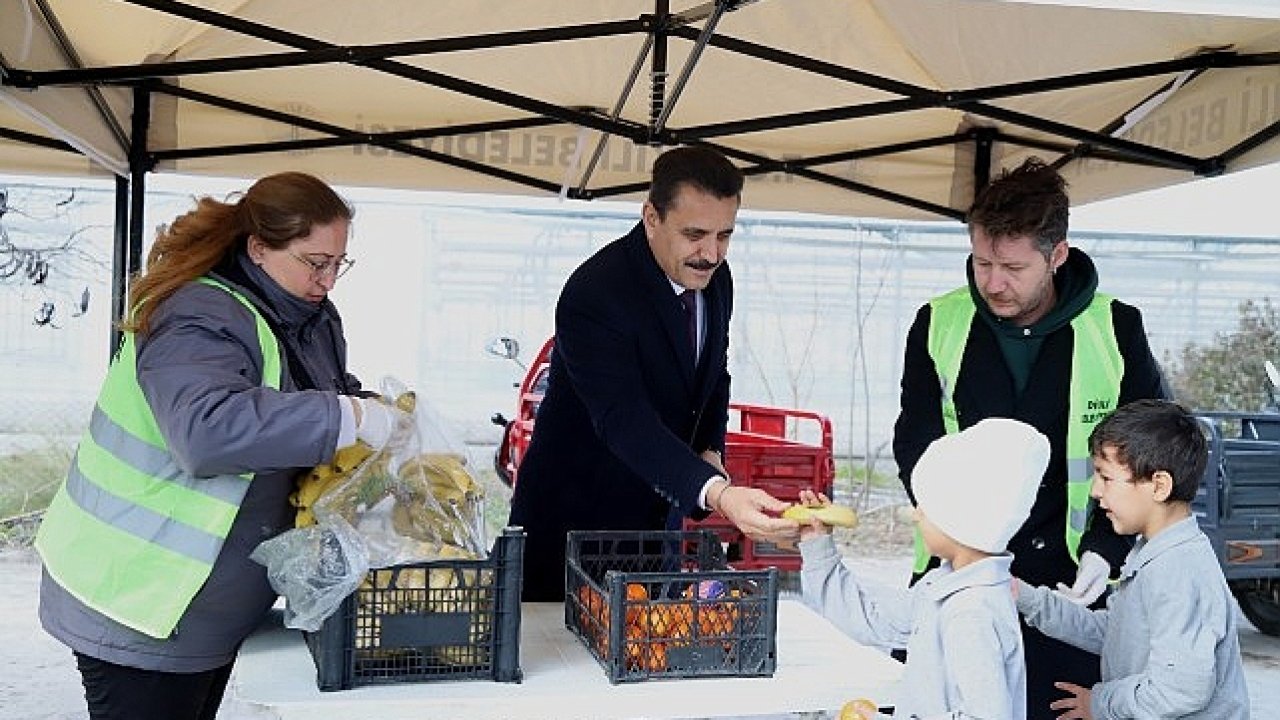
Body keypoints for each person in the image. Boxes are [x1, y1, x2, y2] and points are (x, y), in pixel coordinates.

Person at [34, 171, 407, 720]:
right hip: (140, 598)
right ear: (258, 248)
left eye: (338, 263)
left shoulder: (309, 318)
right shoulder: (198, 316)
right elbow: (205, 431)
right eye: (314, 261)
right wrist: (346, 415)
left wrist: (380, 414)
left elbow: (313, 393)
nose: (329, 279)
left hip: (206, 605)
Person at [891, 156, 1168, 718]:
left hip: (1072, 587)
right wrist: (952, 535)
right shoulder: (937, 322)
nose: (992, 282)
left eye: (1012, 267)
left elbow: (1149, 449)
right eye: (982, 261)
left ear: (1056, 255)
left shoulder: (1115, 327)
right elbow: (914, 440)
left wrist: (1106, 551)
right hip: (958, 577)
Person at [507, 145, 798, 601]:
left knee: (651, 648)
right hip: (572, 530)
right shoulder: (596, 292)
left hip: (657, 525)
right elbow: (623, 419)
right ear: (651, 218)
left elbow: (713, 377)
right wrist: (719, 494)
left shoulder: (716, 280)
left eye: (725, 235)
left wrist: (708, 449)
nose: (711, 253)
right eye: (695, 234)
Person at [799, 418, 1050, 719]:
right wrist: (818, 546)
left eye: (927, 507)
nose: (916, 515)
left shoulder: (971, 614)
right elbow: (874, 618)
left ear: (960, 521)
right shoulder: (944, 587)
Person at [1015, 399, 1249, 719]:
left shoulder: (1178, 572)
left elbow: (1178, 692)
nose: (1095, 491)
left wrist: (1099, 703)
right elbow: (1116, 634)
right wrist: (1026, 598)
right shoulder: (1151, 551)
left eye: (1106, 477)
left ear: (1159, 486)